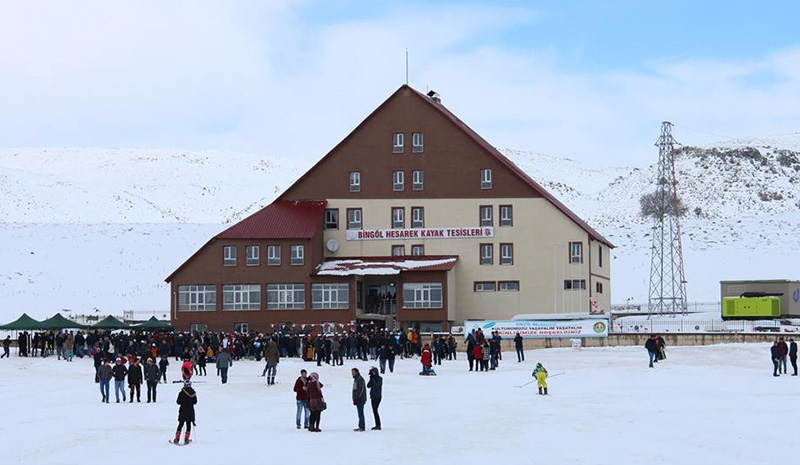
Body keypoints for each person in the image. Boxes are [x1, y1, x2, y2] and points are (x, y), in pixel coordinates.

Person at [173, 380, 197, 445]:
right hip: (190, 410)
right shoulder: (193, 393)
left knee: (180, 424)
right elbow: (195, 402)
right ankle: (186, 438)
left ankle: (177, 438)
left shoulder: (181, 393)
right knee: (188, 424)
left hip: (183, 410)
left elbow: (178, 402)